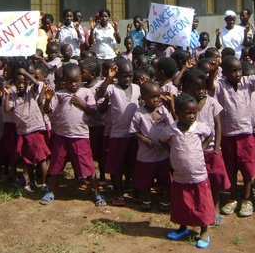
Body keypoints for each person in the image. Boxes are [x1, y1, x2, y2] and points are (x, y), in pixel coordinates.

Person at [209, 54, 255, 218]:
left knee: (248, 168)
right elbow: (209, 88)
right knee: (231, 168)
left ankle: (247, 199)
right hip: (228, 136)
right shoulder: (220, 85)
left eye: (239, 70)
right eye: (233, 71)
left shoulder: (246, 82)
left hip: (246, 134)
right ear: (225, 73)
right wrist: (213, 71)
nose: (237, 74)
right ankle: (233, 197)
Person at [41, 63, 106, 207]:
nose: (73, 84)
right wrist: (47, 100)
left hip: (80, 134)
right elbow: (48, 111)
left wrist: (82, 104)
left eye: (76, 80)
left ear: (81, 78)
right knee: (56, 164)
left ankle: (96, 193)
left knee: (88, 165)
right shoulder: (59, 94)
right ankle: (51, 191)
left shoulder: (86, 93)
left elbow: (94, 113)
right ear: (64, 81)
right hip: (62, 135)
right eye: (69, 81)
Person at [160, 93, 214, 249]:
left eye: (195, 112)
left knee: (201, 202)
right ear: (177, 112)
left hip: (198, 173)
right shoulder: (171, 130)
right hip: (180, 175)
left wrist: (202, 149)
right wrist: (172, 153)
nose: (192, 116)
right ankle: (183, 228)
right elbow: (161, 140)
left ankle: (204, 231)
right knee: (182, 203)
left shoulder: (199, 127)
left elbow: (209, 134)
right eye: (188, 113)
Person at [183, 68, 229, 226]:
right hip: (193, 152)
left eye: (203, 87)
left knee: (215, 181)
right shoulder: (186, 105)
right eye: (196, 88)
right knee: (198, 183)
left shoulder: (211, 102)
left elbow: (218, 125)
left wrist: (216, 148)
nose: (201, 91)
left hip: (210, 150)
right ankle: (199, 209)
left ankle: (215, 209)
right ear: (187, 88)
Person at [96, 59, 140, 206]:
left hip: (133, 134)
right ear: (117, 74)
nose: (127, 79)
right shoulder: (112, 88)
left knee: (132, 164)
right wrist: (108, 79)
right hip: (118, 135)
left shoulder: (137, 88)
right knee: (116, 166)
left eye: (130, 75)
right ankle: (118, 192)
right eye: (124, 76)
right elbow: (99, 95)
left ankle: (134, 190)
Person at [129, 81, 174, 211]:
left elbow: (171, 126)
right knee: (145, 179)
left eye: (158, 96)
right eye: (152, 97)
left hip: (163, 153)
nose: (156, 100)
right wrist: (145, 140)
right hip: (146, 154)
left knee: (165, 178)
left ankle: (165, 199)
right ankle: (147, 197)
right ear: (143, 97)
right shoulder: (139, 113)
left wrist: (165, 142)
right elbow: (133, 131)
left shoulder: (163, 110)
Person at [4, 68, 51, 193]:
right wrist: (7, 94)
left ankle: (45, 183)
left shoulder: (31, 92)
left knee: (41, 157)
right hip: (23, 131)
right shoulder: (13, 95)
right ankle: (32, 182)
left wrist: (25, 74)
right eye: (18, 83)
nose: (21, 85)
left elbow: (36, 84)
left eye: (23, 82)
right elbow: (7, 109)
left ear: (27, 83)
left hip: (35, 128)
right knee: (27, 159)